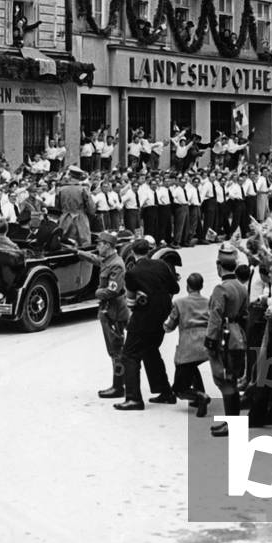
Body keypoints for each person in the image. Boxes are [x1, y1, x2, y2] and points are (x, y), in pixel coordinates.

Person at [115, 236, 179, 410]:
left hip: (143, 318)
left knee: (129, 355)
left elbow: (131, 302)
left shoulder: (132, 273)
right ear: (149, 251)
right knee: (151, 351)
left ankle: (134, 398)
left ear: (132, 252)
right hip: (163, 315)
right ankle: (166, 392)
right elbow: (175, 288)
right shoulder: (162, 266)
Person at [73, 231, 128, 398]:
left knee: (116, 349)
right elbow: (95, 259)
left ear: (108, 246)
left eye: (100, 244)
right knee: (114, 349)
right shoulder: (108, 260)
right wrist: (77, 252)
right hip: (109, 310)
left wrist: (96, 293)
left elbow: (112, 290)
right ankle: (119, 385)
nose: (98, 247)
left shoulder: (116, 265)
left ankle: (118, 387)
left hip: (114, 311)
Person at [205, 245, 248, 436]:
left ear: (218, 266)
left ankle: (232, 424)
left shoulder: (221, 289)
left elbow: (215, 316)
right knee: (233, 378)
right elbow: (245, 313)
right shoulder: (241, 286)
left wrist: (210, 339)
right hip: (238, 335)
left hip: (225, 336)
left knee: (224, 381)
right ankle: (233, 422)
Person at [165, 272, 212, 416]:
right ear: (201, 286)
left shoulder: (179, 303)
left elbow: (170, 325)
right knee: (192, 367)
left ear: (187, 287)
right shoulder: (209, 301)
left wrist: (165, 326)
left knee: (179, 388)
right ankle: (200, 394)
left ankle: (199, 396)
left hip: (188, 346)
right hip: (206, 344)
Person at [54, 166, 96, 246]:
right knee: (83, 243)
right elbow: (91, 208)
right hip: (80, 218)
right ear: (79, 177)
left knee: (64, 242)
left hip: (65, 219)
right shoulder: (83, 189)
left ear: (70, 176)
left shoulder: (61, 189)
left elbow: (57, 207)